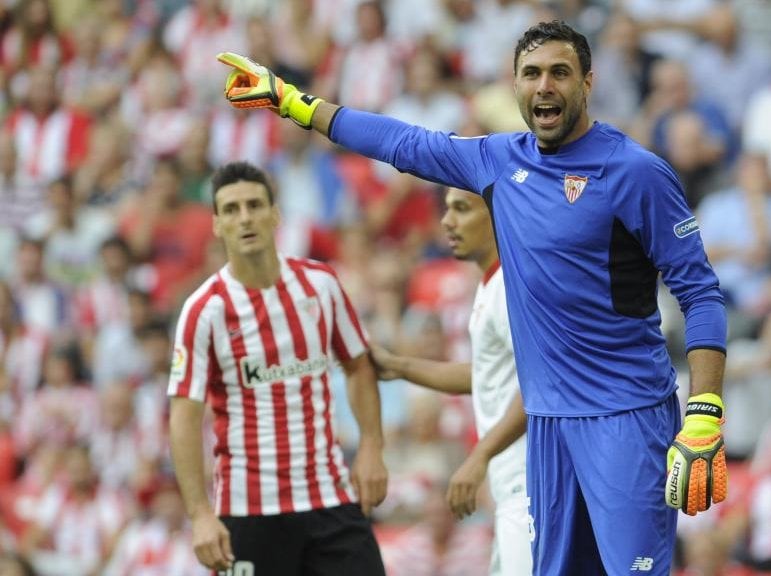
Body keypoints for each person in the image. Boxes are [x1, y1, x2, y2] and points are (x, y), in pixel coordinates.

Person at [218, 20, 728, 575]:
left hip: (625, 418)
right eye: (531, 74)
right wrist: (293, 102)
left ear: (588, 82)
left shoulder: (635, 172)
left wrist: (704, 410)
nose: (544, 86)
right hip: (549, 426)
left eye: (560, 73)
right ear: (513, 85)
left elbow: (699, 291)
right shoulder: (498, 160)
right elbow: (401, 143)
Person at [167, 161, 388, 575]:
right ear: (216, 224)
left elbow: (359, 366)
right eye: (231, 209)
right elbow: (183, 415)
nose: (245, 217)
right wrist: (199, 514)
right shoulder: (205, 310)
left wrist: (372, 445)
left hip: (330, 498)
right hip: (249, 508)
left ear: (275, 214)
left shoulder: (320, 284)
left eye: (254, 205)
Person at [371, 187, 531, 575]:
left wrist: (477, 457)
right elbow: (486, 377)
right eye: (446, 210)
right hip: (511, 484)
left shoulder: (513, 289)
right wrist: (398, 366)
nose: (447, 222)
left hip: (529, 483)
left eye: (461, 209)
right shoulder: (491, 286)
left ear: (496, 218)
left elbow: (538, 386)